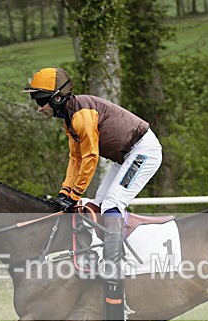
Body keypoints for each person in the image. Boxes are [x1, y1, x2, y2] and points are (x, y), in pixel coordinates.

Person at [22, 66, 162, 283]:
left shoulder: (81, 116)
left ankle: (113, 266)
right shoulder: (70, 119)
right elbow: (75, 160)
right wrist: (64, 193)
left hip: (143, 151)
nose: (38, 108)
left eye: (41, 101)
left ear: (58, 97)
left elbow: (90, 158)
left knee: (112, 204)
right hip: (126, 155)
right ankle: (98, 256)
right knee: (98, 205)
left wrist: (75, 194)